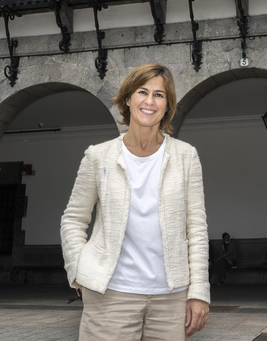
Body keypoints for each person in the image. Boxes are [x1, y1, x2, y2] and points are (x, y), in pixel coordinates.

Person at [60, 63, 210, 340]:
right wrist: (78, 267)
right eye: (142, 92)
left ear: (168, 106)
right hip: (110, 292)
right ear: (127, 99)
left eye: (159, 95)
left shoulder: (186, 156)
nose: (150, 101)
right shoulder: (98, 156)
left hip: (171, 297)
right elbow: (73, 218)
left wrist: (199, 292)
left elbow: (197, 228)